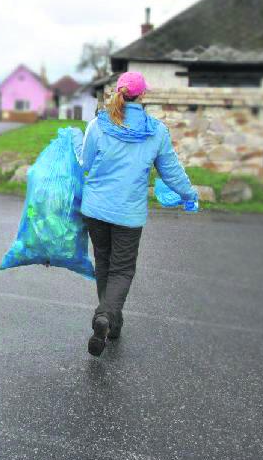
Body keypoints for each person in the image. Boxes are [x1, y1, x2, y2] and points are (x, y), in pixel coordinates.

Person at [75, 71, 198, 357]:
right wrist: (189, 193)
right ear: (142, 96)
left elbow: (86, 162)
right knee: (122, 268)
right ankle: (106, 316)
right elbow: (171, 172)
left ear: (117, 92)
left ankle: (110, 323)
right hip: (128, 214)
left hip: (95, 208)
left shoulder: (98, 124)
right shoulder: (156, 131)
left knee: (104, 263)